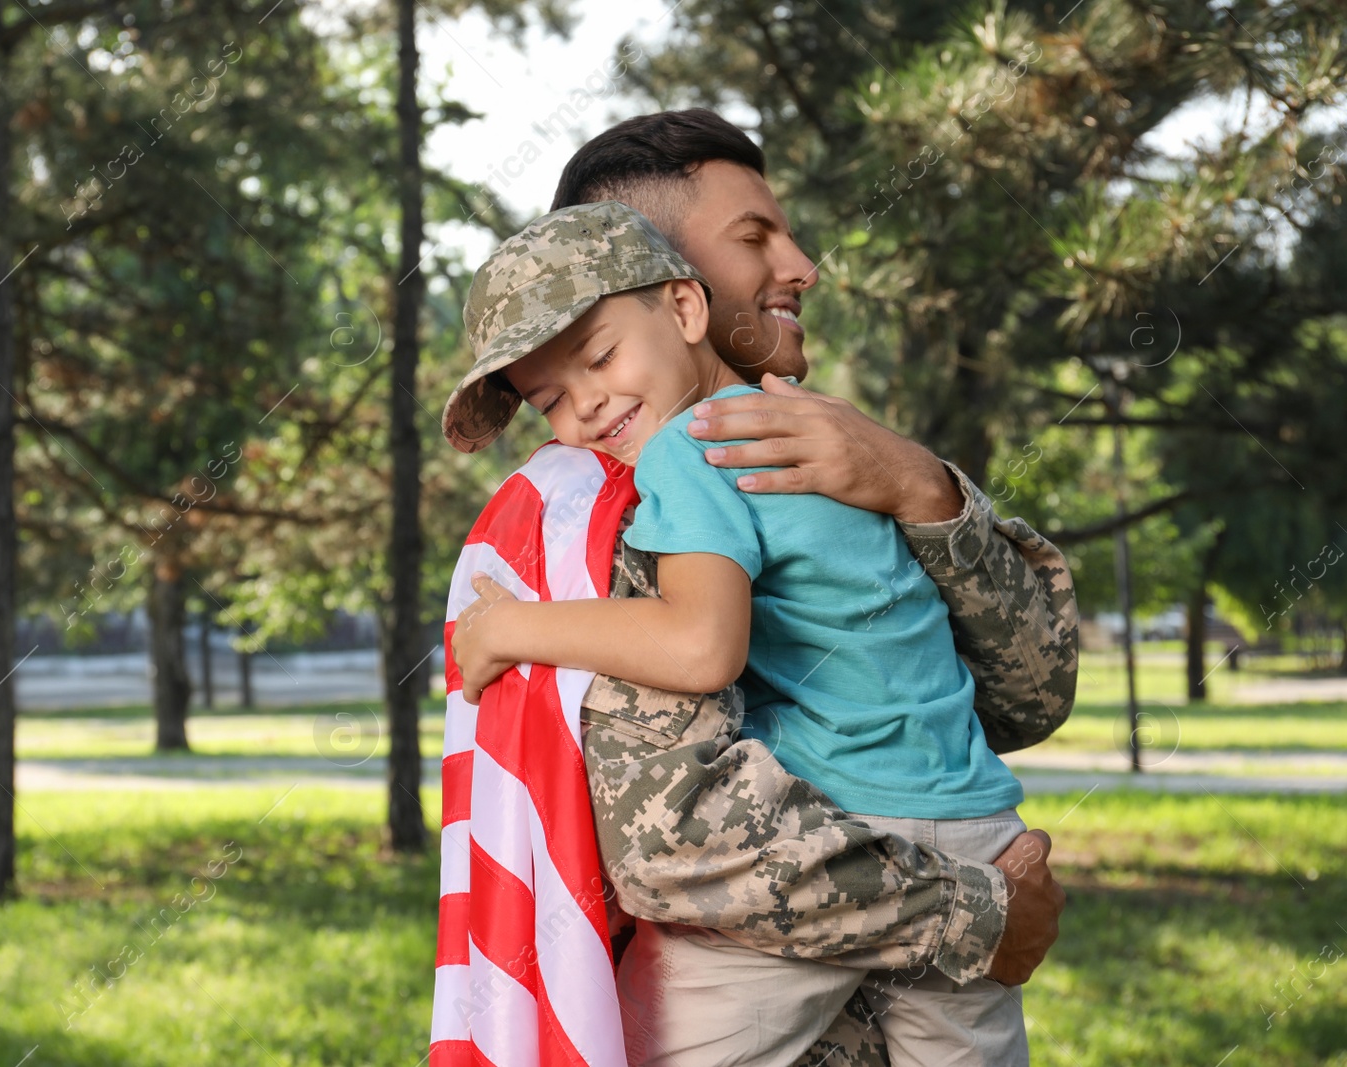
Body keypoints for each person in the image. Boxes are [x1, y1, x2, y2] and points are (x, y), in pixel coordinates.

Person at [445, 110, 1075, 1066]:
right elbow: (683, 841)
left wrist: (921, 488)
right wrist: (977, 912)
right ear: (678, 277)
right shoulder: (600, 517)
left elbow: (1028, 694)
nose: (802, 264)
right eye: (755, 237)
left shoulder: (814, 444)